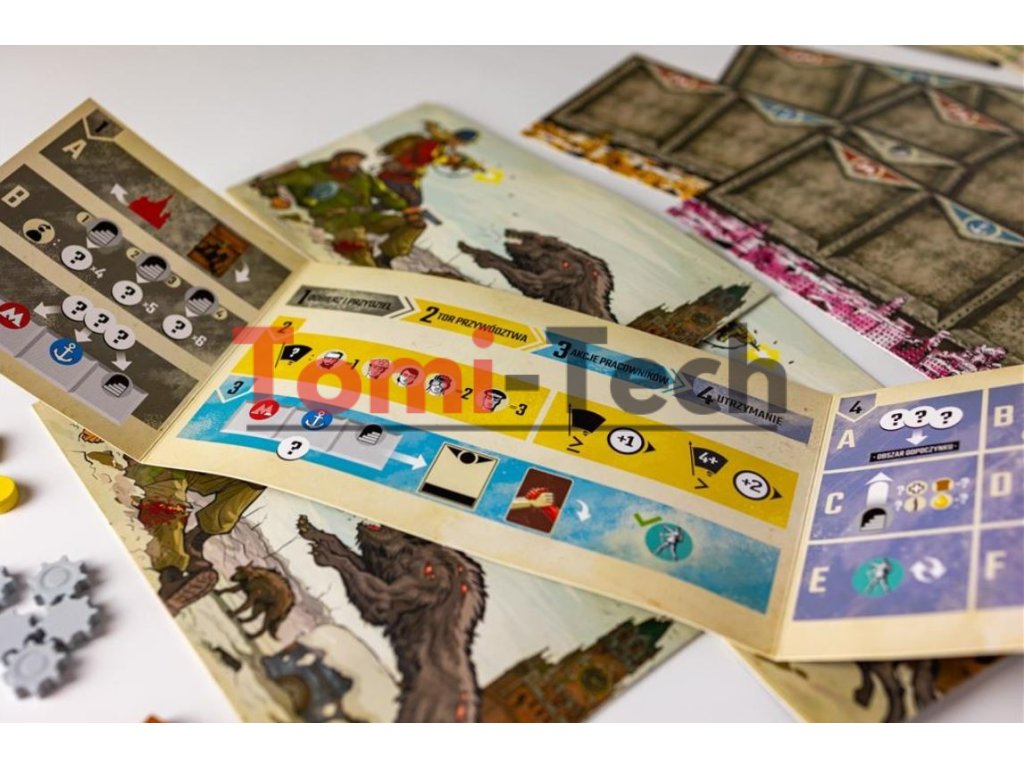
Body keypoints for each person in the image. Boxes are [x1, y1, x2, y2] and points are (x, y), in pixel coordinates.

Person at [253, 150, 424, 266]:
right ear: (336, 160)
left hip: (366, 217)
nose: (354, 164)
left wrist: (404, 208)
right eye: (350, 159)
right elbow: (268, 182)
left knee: (413, 224)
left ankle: (386, 257)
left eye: (357, 161)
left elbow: (384, 193)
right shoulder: (311, 174)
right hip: (333, 221)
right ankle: (370, 271)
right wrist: (274, 196)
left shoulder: (362, 177)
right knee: (358, 248)